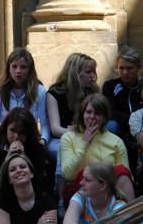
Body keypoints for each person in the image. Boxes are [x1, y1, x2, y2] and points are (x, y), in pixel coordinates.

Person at [46, 53, 99, 218]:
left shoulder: (93, 91)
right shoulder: (54, 93)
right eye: (89, 72)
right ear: (76, 72)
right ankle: (62, 198)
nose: (93, 76)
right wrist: (73, 133)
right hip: (61, 136)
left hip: (87, 134)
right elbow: (55, 128)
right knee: (64, 144)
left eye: (93, 72)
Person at [60, 94, 134, 203]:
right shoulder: (68, 138)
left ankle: (131, 215)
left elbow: (127, 177)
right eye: (88, 112)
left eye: (97, 113)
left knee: (121, 170)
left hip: (109, 191)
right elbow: (68, 175)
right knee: (88, 176)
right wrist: (84, 143)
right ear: (82, 114)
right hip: (81, 191)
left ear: (104, 118)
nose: (92, 116)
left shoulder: (116, 141)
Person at [0, 108, 52, 198]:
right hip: (3, 197)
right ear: (6, 128)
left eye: (22, 132)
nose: (16, 137)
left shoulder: (37, 148)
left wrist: (23, 158)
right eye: (12, 130)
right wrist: (7, 160)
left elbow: (38, 180)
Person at [0, 48, 50, 146]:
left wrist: (43, 140)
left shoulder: (40, 91)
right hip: (6, 140)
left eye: (23, 67)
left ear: (30, 69)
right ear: (8, 68)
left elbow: (44, 123)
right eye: (14, 66)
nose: (18, 71)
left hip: (30, 139)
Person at [102, 47, 143, 176]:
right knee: (110, 125)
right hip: (120, 125)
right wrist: (132, 119)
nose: (125, 72)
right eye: (121, 68)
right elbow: (111, 111)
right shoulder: (110, 86)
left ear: (138, 68)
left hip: (142, 125)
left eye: (129, 68)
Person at [0, 153, 57, 224]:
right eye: (12, 170)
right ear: (9, 180)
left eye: (23, 167)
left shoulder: (47, 200)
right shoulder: (4, 204)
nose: (18, 170)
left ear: (31, 173)